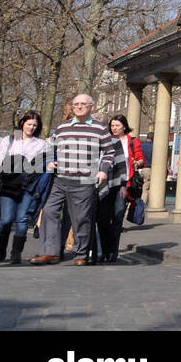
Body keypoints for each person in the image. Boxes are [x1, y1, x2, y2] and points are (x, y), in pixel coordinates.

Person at [29, 94, 118, 266]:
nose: (79, 107)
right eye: (76, 104)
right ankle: (50, 252)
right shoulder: (62, 127)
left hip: (84, 181)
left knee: (81, 218)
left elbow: (109, 152)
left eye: (83, 104)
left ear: (91, 106)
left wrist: (103, 171)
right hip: (59, 179)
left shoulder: (100, 128)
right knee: (49, 211)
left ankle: (81, 254)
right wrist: (49, 161)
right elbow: (49, 149)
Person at [0, 111, 49, 264]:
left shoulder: (40, 144)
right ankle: (1, 249)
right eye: (29, 124)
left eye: (34, 125)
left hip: (28, 186)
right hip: (9, 185)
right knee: (5, 220)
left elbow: (40, 165)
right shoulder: (11, 139)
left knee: (22, 219)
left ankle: (16, 252)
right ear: (22, 123)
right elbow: (0, 159)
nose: (31, 127)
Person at [96, 114, 142, 264]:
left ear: (124, 126)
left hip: (124, 184)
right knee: (103, 219)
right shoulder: (106, 140)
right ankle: (102, 249)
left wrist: (137, 163)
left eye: (117, 126)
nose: (114, 128)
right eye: (112, 126)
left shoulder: (132, 141)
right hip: (105, 183)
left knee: (117, 218)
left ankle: (112, 252)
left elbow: (141, 159)